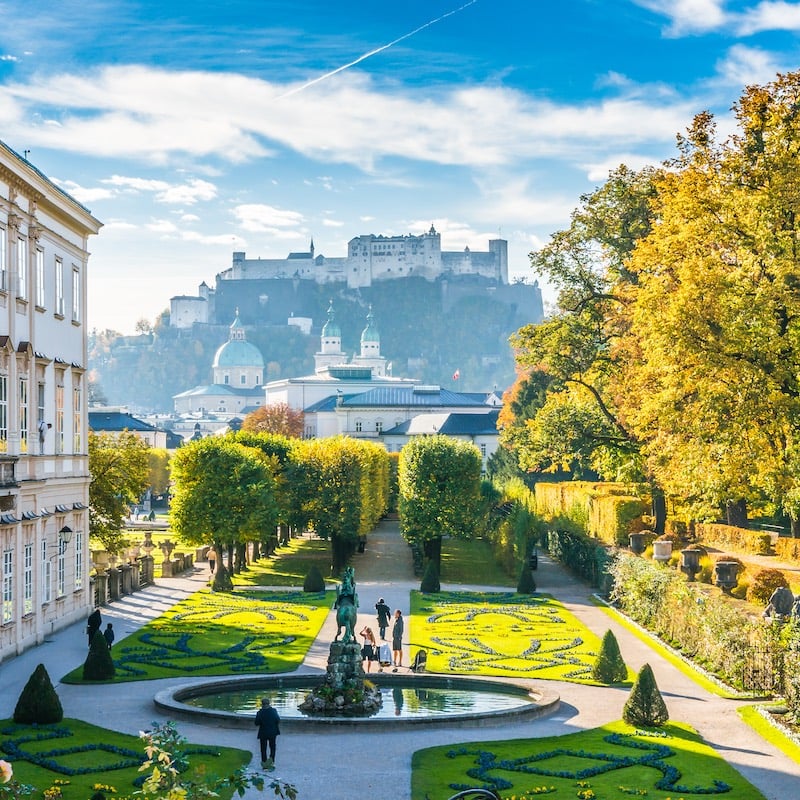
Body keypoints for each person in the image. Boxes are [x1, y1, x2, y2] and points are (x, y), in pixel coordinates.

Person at [254, 696, 280, 770]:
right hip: (272, 732)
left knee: (263, 748)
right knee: (272, 747)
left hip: (263, 733)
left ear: (262, 704)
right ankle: (272, 761)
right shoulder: (274, 711)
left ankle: (264, 762)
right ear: (269, 704)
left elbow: (256, 723)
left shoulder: (259, 713)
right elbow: (278, 720)